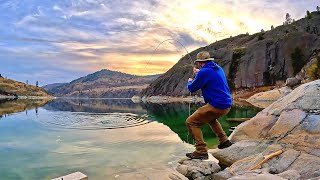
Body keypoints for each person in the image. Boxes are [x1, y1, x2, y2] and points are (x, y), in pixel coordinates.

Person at [185, 51, 233, 160]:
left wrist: (190, 81)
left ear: (200, 63)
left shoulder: (204, 72)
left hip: (217, 105)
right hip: (226, 104)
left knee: (191, 122)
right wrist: (199, 73)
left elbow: (192, 88)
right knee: (211, 119)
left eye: (199, 64)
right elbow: (209, 75)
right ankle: (224, 141)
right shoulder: (218, 68)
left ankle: (201, 151)